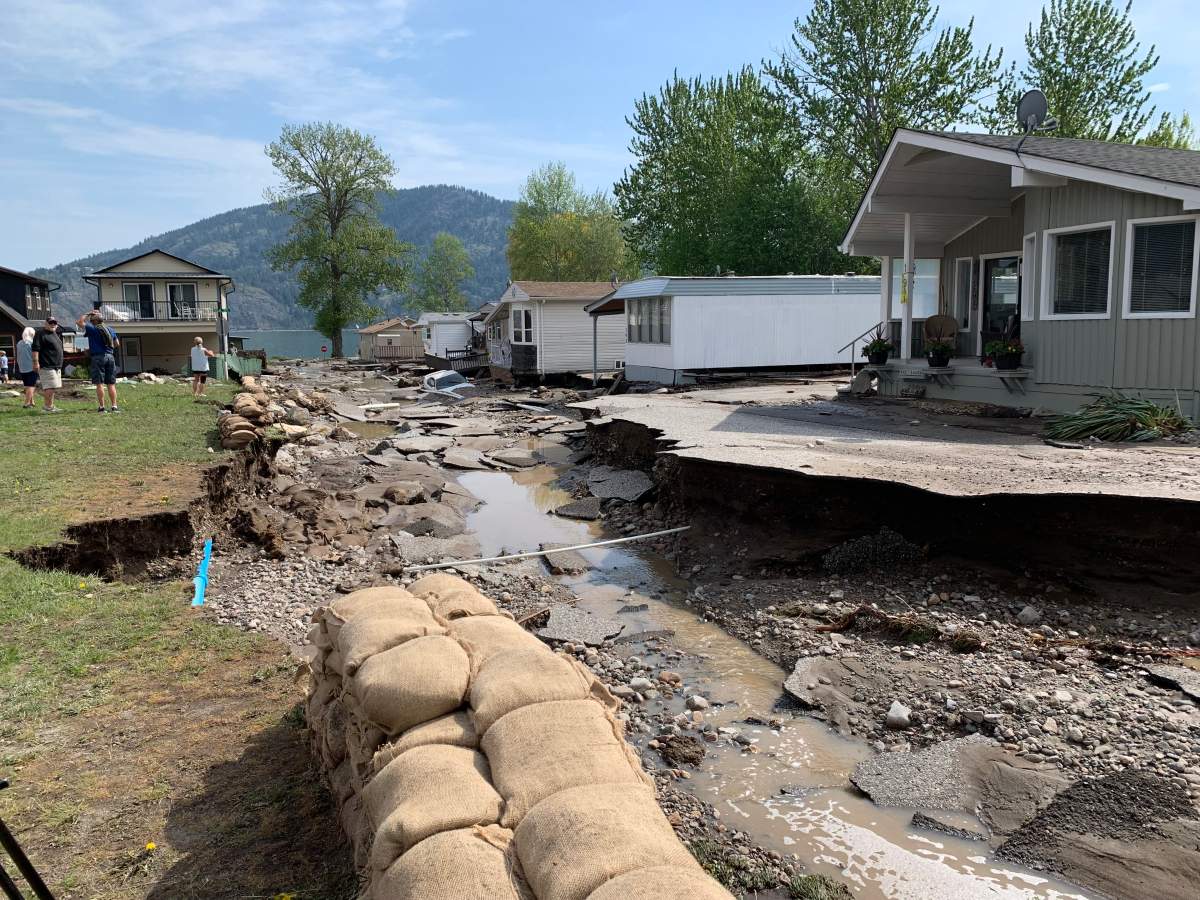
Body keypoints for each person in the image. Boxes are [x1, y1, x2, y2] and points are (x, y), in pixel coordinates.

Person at [77, 311, 120, 413]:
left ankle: (102, 407)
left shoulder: (92, 329)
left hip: (98, 357)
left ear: (93, 321)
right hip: (110, 357)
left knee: (99, 383)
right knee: (111, 383)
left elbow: (79, 322)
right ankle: (114, 406)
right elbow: (117, 343)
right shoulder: (110, 329)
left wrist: (88, 313)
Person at [31, 317, 64, 413]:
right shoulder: (40, 334)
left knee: (53, 387)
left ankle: (50, 406)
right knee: (49, 386)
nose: (53, 324)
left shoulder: (54, 334)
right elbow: (35, 349)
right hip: (47, 365)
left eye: (54, 323)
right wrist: (35, 362)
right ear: (45, 323)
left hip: (56, 366)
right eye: (50, 323)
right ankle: (47, 407)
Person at [16, 327, 36, 408]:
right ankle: (27, 403)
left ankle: (32, 401)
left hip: (22, 367)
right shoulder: (32, 343)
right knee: (31, 385)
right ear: (32, 334)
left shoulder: (19, 343)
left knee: (27, 385)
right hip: (31, 367)